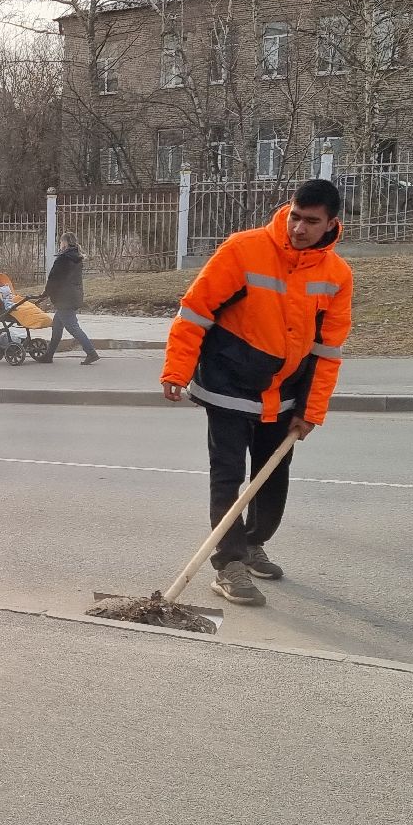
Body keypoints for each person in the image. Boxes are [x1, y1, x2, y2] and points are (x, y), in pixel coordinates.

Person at [160, 178, 353, 607]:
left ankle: (251, 543)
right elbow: (195, 310)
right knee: (227, 476)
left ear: (331, 225)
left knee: (272, 479)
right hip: (228, 386)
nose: (299, 228)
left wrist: (311, 409)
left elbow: (327, 351)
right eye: (295, 216)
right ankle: (228, 565)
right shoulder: (243, 249)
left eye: (311, 222)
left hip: (284, 393)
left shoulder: (336, 275)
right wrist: (177, 368)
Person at [37, 231, 99, 364]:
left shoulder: (63, 259)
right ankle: (49, 355)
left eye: (60, 242)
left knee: (72, 327)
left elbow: (54, 278)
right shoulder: (76, 257)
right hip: (72, 295)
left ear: (64, 243)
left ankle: (91, 352)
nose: (60, 244)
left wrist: (45, 293)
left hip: (64, 298)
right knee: (57, 326)